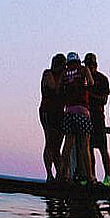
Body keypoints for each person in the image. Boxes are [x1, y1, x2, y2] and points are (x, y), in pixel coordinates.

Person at [60, 52, 95, 184]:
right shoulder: (83, 69)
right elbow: (91, 83)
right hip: (82, 110)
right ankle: (90, 176)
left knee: (67, 145)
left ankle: (62, 175)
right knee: (85, 145)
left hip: (68, 111)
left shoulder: (65, 73)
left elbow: (58, 89)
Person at [84, 53, 110, 186]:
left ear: (94, 65)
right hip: (86, 117)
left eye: (88, 65)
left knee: (102, 148)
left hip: (98, 117)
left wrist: (90, 95)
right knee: (88, 149)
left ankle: (107, 177)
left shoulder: (103, 79)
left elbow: (104, 100)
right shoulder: (83, 78)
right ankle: (92, 177)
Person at [39, 53, 66, 182]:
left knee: (57, 145)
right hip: (48, 111)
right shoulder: (48, 74)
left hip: (60, 113)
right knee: (50, 142)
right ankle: (49, 174)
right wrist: (62, 77)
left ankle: (59, 174)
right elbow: (54, 88)